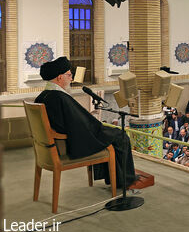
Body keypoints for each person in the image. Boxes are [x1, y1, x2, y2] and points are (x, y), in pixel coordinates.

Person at [34, 57, 137, 188]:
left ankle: (114, 178)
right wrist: (97, 126)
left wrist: (92, 124)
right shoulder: (60, 97)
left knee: (110, 133)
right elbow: (79, 123)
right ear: (59, 77)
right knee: (121, 136)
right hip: (69, 144)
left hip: (55, 144)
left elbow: (75, 121)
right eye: (69, 75)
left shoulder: (43, 96)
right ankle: (124, 181)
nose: (71, 79)